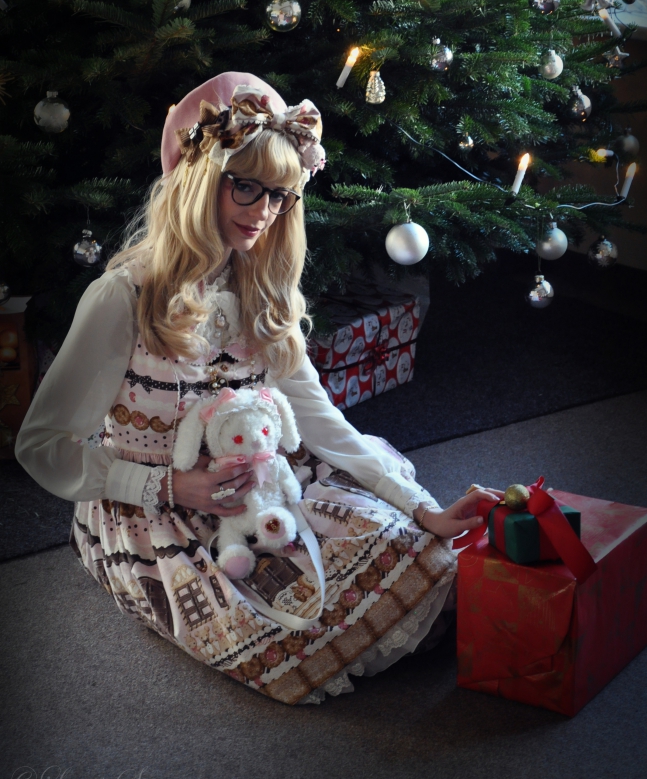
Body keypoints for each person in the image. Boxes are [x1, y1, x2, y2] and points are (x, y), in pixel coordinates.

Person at [16, 71, 500, 705]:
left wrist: (419, 506)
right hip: (152, 507)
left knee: (416, 551)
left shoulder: (259, 287)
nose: (264, 212)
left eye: (279, 195)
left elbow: (317, 418)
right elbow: (43, 444)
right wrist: (170, 486)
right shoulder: (124, 296)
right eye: (245, 186)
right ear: (199, 179)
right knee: (280, 630)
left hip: (265, 483)